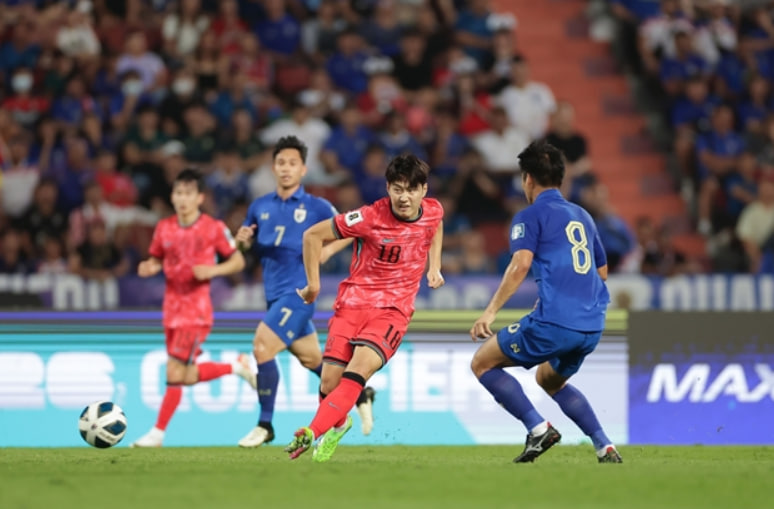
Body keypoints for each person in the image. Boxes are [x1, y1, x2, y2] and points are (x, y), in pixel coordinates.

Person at [468, 141, 622, 464]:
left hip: (556, 322)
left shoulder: (529, 216)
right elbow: (602, 272)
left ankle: (538, 429)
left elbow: (520, 265)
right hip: (592, 325)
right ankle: (604, 445)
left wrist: (491, 311)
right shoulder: (583, 216)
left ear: (527, 179)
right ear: (561, 179)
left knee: (482, 363)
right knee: (548, 379)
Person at [285, 153, 445, 462]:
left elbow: (435, 226)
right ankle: (339, 424)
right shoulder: (369, 216)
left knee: (357, 370)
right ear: (387, 188)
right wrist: (314, 285)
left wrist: (433, 266)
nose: (404, 197)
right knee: (329, 382)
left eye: (411, 189)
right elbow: (312, 236)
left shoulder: (434, 210)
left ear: (424, 190)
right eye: (397, 188)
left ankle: (312, 430)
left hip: (393, 311)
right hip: (353, 303)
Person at [234, 135, 376, 448]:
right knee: (313, 360)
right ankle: (362, 393)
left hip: (298, 295)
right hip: (273, 294)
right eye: (281, 163)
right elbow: (245, 247)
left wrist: (326, 252)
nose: (286, 169)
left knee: (262, 347)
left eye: (292, 163)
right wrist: (242, 240)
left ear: (303, 169)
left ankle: (265, 425)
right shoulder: (259, 207)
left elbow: (354, 229)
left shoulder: (316, 206)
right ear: (273, 168)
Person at [130, 169, 256, 448]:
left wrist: (212, 270)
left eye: (188, 193)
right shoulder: (164, 228)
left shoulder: (213, 227)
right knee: (183, 375)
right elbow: (155, 259)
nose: (183, 199)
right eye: (178, 193)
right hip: (170, 310)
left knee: (174, 373)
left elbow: (237, 262)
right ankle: (236, 367)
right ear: (172, 197)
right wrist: (149, 266)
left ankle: (158, 433)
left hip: (196, 310)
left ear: (199, 197)